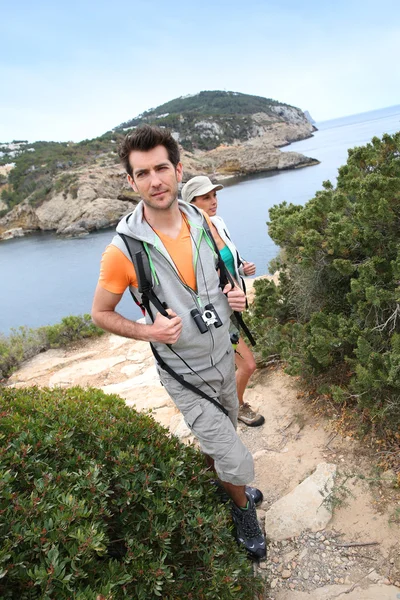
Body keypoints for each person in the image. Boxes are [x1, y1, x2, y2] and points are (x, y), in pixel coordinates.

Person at [91, 125, 266, 560]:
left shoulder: (203, 221)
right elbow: (100, 313)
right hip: (183, 373)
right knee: (234, 454)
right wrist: (148, 331)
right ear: (130, 182)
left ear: (178, 169)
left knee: (218, 441)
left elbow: (222, 276)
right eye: (143, 172)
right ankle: (244, 510)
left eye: (162, 168)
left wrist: (236, 293)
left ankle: (226, 485)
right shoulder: (122, 251)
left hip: (223, 355)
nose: (155, 180)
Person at [181, 176, 265, 428]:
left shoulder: (218, 222)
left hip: (231, 309)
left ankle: (224, 404)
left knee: (227, 365)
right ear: (191, 203)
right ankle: (236, 406)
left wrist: (242, 266)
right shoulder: (191, 237)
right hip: (216, 315)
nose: (213, 201)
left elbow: (227, 258)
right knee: (248, 365)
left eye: (214, 195)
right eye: (206, 197)